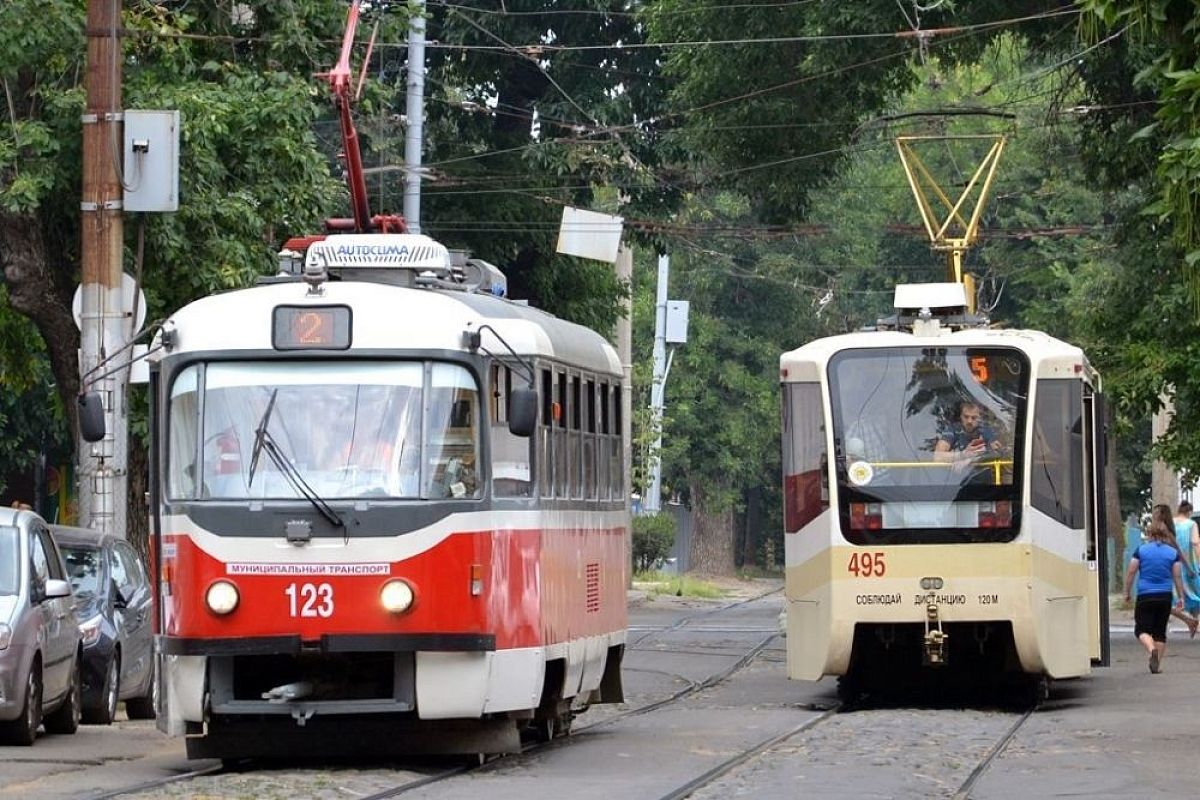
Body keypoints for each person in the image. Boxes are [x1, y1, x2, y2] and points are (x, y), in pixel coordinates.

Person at [1125, 506, 1192, 673]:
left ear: (1149, 534)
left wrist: (1126, 592)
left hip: (1145, 595)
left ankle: (1151, 649)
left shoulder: (1141, 550)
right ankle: (1156, 666)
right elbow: (1177, 576)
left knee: (1141, 629)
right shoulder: (1171, 552)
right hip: (1165, 595)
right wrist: (1181, 597)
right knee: (1160, 633)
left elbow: (1131, 571)